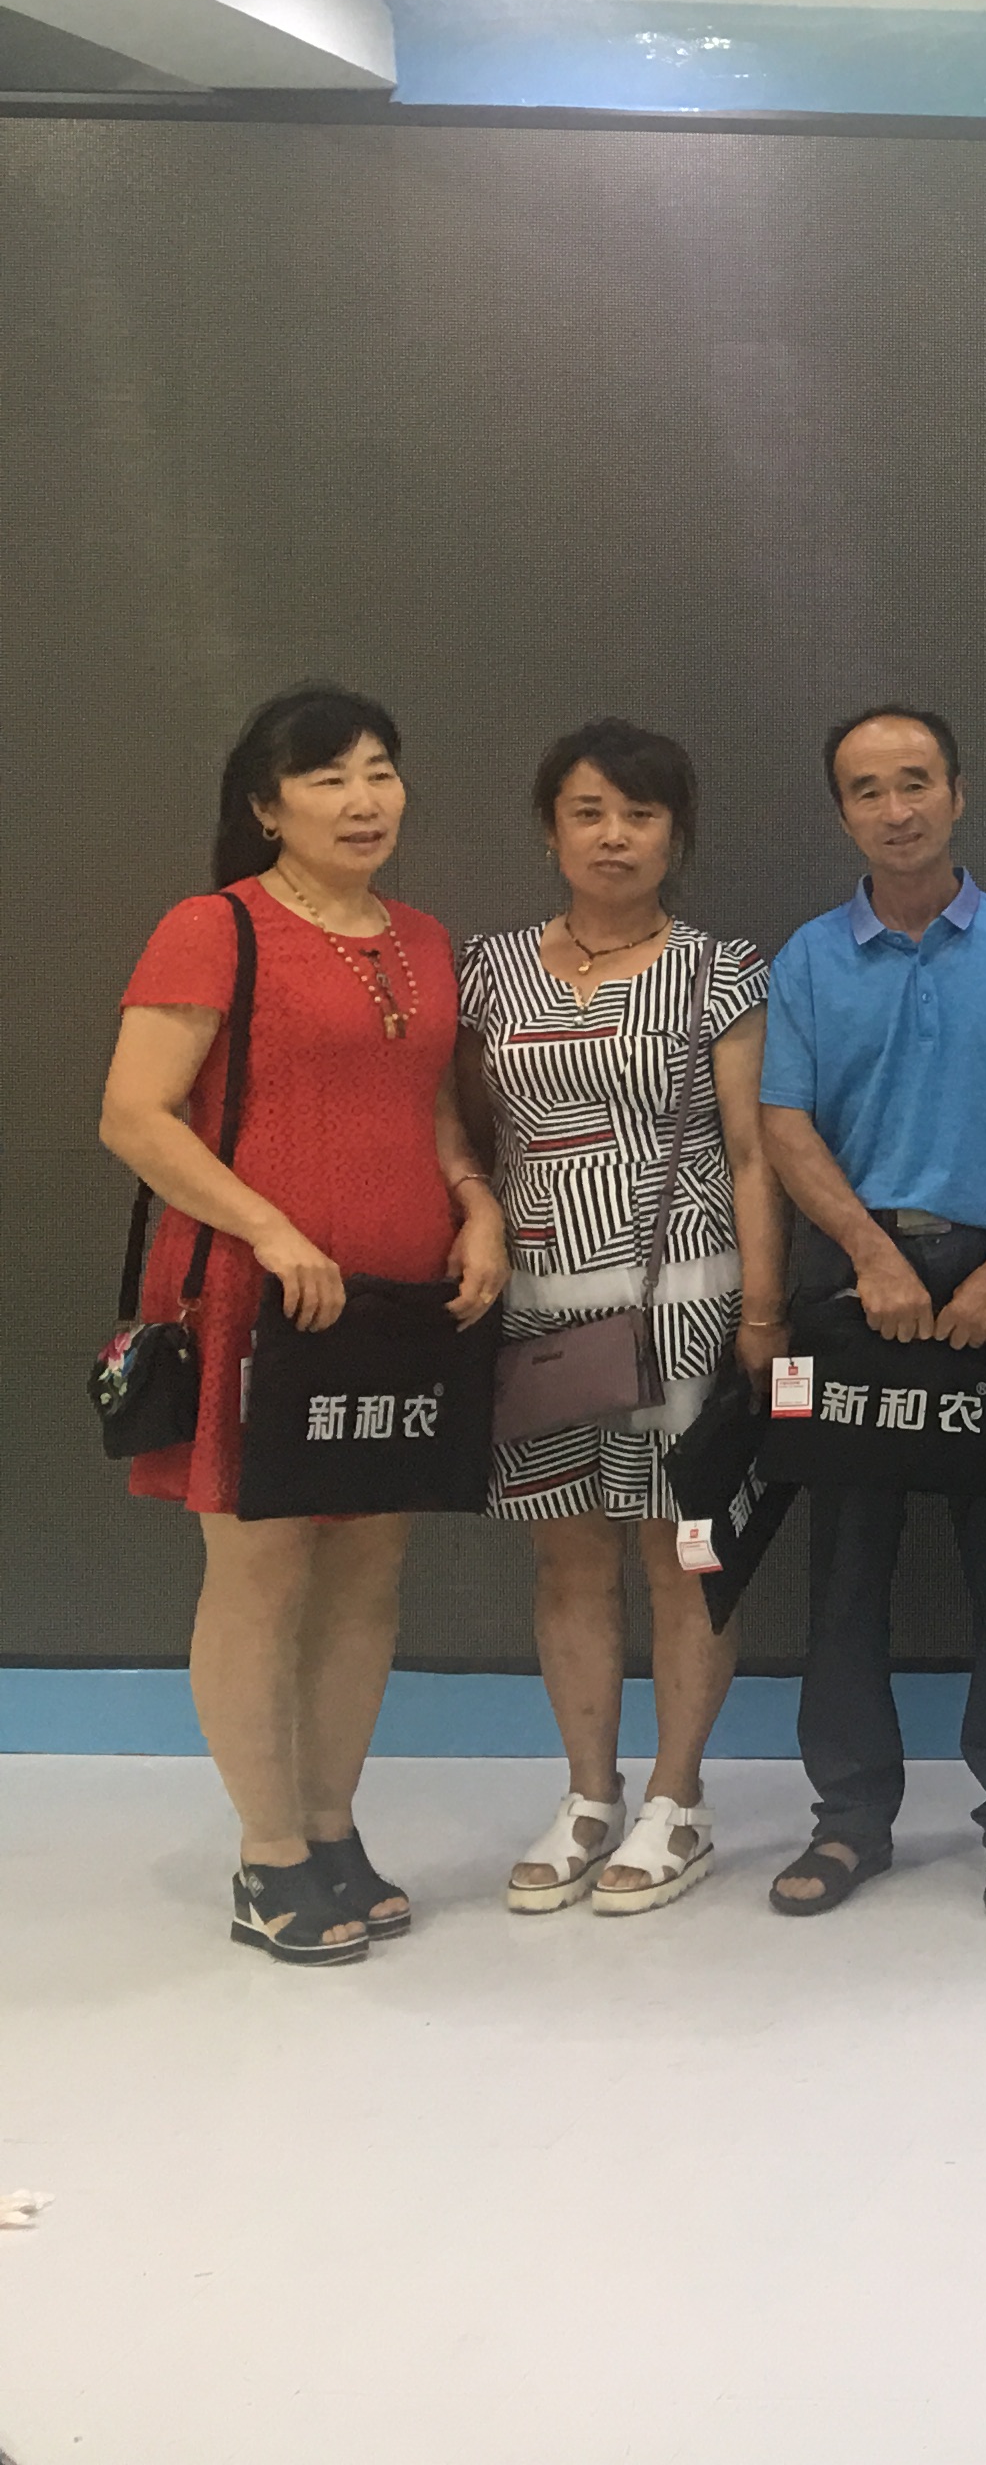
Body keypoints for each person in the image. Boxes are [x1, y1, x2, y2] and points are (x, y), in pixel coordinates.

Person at [98, 686, 507, 1964]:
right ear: (267, 807)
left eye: (380, 770)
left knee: (369, 1569)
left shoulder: (424, 940)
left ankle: (332, 1830)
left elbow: (428, 1104)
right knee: (261, 1572)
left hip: (397, 1300)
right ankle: (267, 1855)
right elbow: (134, 1116)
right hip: (255, 1297)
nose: (363, 799)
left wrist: (476, 1203)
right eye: (328, 778)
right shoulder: (213, 927)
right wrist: (271, 1232)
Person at [756, 706, 986, 1921]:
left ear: (957, 792)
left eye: (916, 782)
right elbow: (785, 1123)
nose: (896, 809)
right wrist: (867, 1253)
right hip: (856, 1296)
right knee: (846, 1572)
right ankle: (851, 1818)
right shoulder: (806, 960)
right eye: (868, 790)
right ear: (842, 811)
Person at [460, 720, 781, 1916]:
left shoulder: (720, 970)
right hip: (538, 1311)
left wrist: (764, 1307)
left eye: (640, 815)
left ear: (674, 836)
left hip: (682, 1307)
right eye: (588, 812)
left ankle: (676, 1799)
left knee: (682, 1550)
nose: (614, 836)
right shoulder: (488, 970)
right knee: (569, 1553)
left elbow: (752, 1153)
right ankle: (588, 1795)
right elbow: (462, 1129)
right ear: (550, 828)